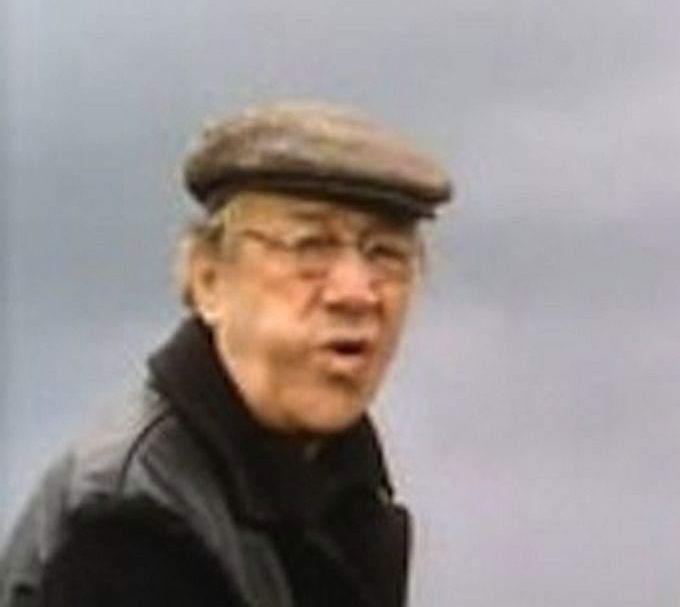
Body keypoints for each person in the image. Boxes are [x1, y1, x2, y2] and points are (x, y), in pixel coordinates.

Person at [0, 102, 452, 607]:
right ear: (209, 279)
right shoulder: (131, 533)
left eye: (385, 253)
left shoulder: (339, 491)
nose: (356, 293)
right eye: (310, 246)